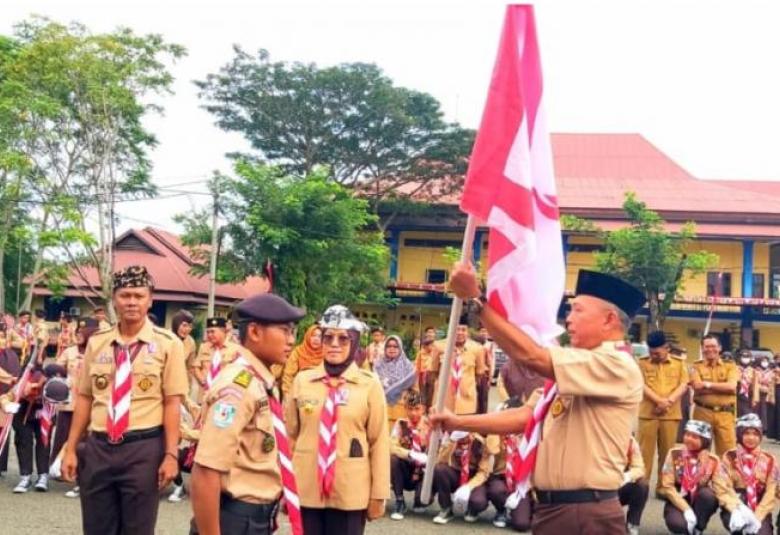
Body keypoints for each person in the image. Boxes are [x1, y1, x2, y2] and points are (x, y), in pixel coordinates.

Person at [431, 266, 646, 534]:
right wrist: (457, 422)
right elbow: (524, 417)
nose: (568, 319)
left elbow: (531, 356)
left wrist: (476, 301)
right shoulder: (576, 369)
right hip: (552, 510)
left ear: (609, 319)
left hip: (588, 514)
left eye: (578, 310)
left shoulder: (617, 364)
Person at [60, 265, 189, 535]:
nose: (132, 302)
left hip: (142, 449)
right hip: (98, 447)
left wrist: (170, 455)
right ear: (114, 299)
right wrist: (70, 448)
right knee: (97, 528)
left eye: (139, 296)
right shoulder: (98, 342)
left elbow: (172, 403)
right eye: (125, 295)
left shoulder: (168, 344)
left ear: (150, 300)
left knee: (138, 529)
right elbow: (85, 397)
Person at [190, 293, 306, 534]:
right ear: (254, 332)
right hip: (234, 520)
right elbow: (206, 471)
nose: (291, 340)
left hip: (255, 518)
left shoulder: (260, 380)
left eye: (292, 332)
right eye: (284, 331)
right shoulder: (238, 388)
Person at [286, 304, 390, 535]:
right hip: (307, 488)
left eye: (343, 339)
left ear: (354, 342)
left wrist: (379, 494)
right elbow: (289, 437)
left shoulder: (369, 384)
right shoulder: (302, 381)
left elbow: (379, 442)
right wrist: (284, 486)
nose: (334, 344)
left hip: (350, 492)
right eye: (328, 338)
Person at [637, 330, 689, 497]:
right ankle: (641, 487)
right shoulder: (642, 363)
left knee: (668, 453)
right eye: (651, 352)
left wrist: (668, 402)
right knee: (644, 453)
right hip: (648, 414)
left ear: (667, 348)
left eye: (657, 353)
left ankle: (663, 486)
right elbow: (640, 384)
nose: (654, 356)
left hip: (670, 415)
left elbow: (683, 384)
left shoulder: (679, 364)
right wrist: (659, 401)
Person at [51, 319, 100, 497]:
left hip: (91, 406)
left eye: (82, 332)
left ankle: (82, 477)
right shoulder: (70, 351)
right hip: (69, 403)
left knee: (86, 443)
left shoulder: (99, 352)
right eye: (77, 332)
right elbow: (57, 368)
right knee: (63, 436)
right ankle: (59, 469)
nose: (78, 335)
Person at [472, 398, 534, 531]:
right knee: (496, 490)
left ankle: (523, 510)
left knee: (522, 524)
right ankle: (501, 511)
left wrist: (523, 490)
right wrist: (497, 426)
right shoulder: (498, 435)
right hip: (501, 477)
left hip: (523, 482)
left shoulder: (529, 435)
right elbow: (492, 450)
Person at [712, 413, 775, 535]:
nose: (751, 438)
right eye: (746, 433)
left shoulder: (769, 459)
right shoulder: (729, 457)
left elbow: (771, 492)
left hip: (759, 505)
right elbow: (722, 487)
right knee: (740, 527)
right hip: (736, 502)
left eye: (755, 434)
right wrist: (735, 509)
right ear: (739, 434)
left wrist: (757, 517)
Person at [659, 420, 720, 535]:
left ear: (705, 440)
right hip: (678, 498)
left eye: (695, 437)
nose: (689, 439)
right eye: (687, 434)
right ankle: (684, 526)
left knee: (709, 496)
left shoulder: (712, 460)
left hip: (699, 498)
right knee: (678, 525)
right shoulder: (674, 454)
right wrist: (686, 509)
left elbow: (720, 487)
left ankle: (698, 528)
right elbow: (667, 486)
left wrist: (735, 508)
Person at [430, 430, 493, 525]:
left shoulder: (480, 442)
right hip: (456, 474)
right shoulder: (453, 439)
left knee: (478, 502)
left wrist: (468, 487)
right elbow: (440, 460)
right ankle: (446, 508)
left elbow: (483, 473)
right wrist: (451, 441)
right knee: (440, 469)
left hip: (473, 477)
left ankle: (472, 510)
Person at [691, 333, 738, 456]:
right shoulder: (696, 366)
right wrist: (723, 388)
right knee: (699, 451)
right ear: (702, 348)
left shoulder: (730, 366)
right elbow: (697, 387)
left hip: (725, 414)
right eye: (707, 346)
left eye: (713, 346)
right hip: (702, 412)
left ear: (720, 348)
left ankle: (724, 470)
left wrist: (707, 384)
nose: (710, 349)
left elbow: (731, 387)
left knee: (728, 453)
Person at [389, 390, 431, 521]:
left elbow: (440, 449)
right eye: (410, 409)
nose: (413, 413)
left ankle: (420, 498)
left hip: (424, 471)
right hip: (407, 467)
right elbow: (391, 447)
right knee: (394, 460)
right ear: (405, 409)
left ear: (423, 409)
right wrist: (410, 454)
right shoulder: (400, 424)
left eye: (417, 409)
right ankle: (399, 500)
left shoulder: (430, 425)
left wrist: (429, 460)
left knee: (421, 503)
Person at [430, 322, 487, 415]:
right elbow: (433, 371)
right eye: (457, 329)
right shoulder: (439, 346)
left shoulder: (477, 348)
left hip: (466, 401)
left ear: (468, 332)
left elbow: (479, 374)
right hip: (443, 400)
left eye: (463, 330)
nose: (460, 333)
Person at [194, 317, 247, 395]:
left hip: (225, 394)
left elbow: (242, 372)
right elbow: (196, 366)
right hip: (204, 394)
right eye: (208, 332)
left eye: (212, 332)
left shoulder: (235, 349)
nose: (209, 335)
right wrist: (201, 379)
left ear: (223, 331)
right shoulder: (204, 347)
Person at [374, 334, 417, 428]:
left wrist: (413, 412)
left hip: (401, 410)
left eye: (395, 346)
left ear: (400, 348)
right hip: (380, 408)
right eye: (389, 346)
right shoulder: (378, 365)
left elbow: (414, 390)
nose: (392, 349)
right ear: (385, 348)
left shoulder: (408, 366)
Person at [281, 325, 324, 398]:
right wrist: (287, 396)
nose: (316, 339)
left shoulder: (326, 354)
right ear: (308, 336)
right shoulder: (298, 352)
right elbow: (288, 375)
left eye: (319, 336)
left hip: (320, 393)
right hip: (299, 393)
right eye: (313, 335)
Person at [0, 323, 19, 477]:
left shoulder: (10, 355)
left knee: (2, 428)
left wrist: (11, 380)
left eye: (2, 336)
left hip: (3, 396)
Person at [620, 436, 649, 535]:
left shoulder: (630, 441)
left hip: (618, 483)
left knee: (642, 486)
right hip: (595, 487)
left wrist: (626, 477)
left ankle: (632, 524)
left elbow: (639, 468)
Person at [171, 311, 198, 399]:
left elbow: (190, 368)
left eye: (190, 326)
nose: (187, 329)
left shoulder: (190, 342)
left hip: (179, 384)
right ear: (176, 324)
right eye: (184, 325)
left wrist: (187, 389)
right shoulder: (164, 338)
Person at [415, 327, 438, 410]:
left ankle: (430, 409)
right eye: (428, 345)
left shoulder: (437, 351)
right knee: (423, 394)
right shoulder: (421, 353)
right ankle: (423, 410)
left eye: (432, 345)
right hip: (423, 376)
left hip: (433, 376)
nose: (431, 347)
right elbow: (417, 366)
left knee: (432, 394)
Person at [752, 354, 775, 434]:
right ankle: (757, 426)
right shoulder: (756, 371)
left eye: (766, 361)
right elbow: (756, 382)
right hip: (758, 393)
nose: (764, 363)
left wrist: (766, 383)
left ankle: (765, 428)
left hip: (768, 394)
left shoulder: (771, 371)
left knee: (765, 411)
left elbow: (772, 382)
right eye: (763, 361)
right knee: (757, 410)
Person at [737, 350, 756, 418]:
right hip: (737, 395)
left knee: (747, 415)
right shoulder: (735, 368)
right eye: (744, 356)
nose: (745, 358)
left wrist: (754, 399)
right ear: (739, 358)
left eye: (747, 357)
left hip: (748, 396)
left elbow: (755, 385)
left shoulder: (753, 370)